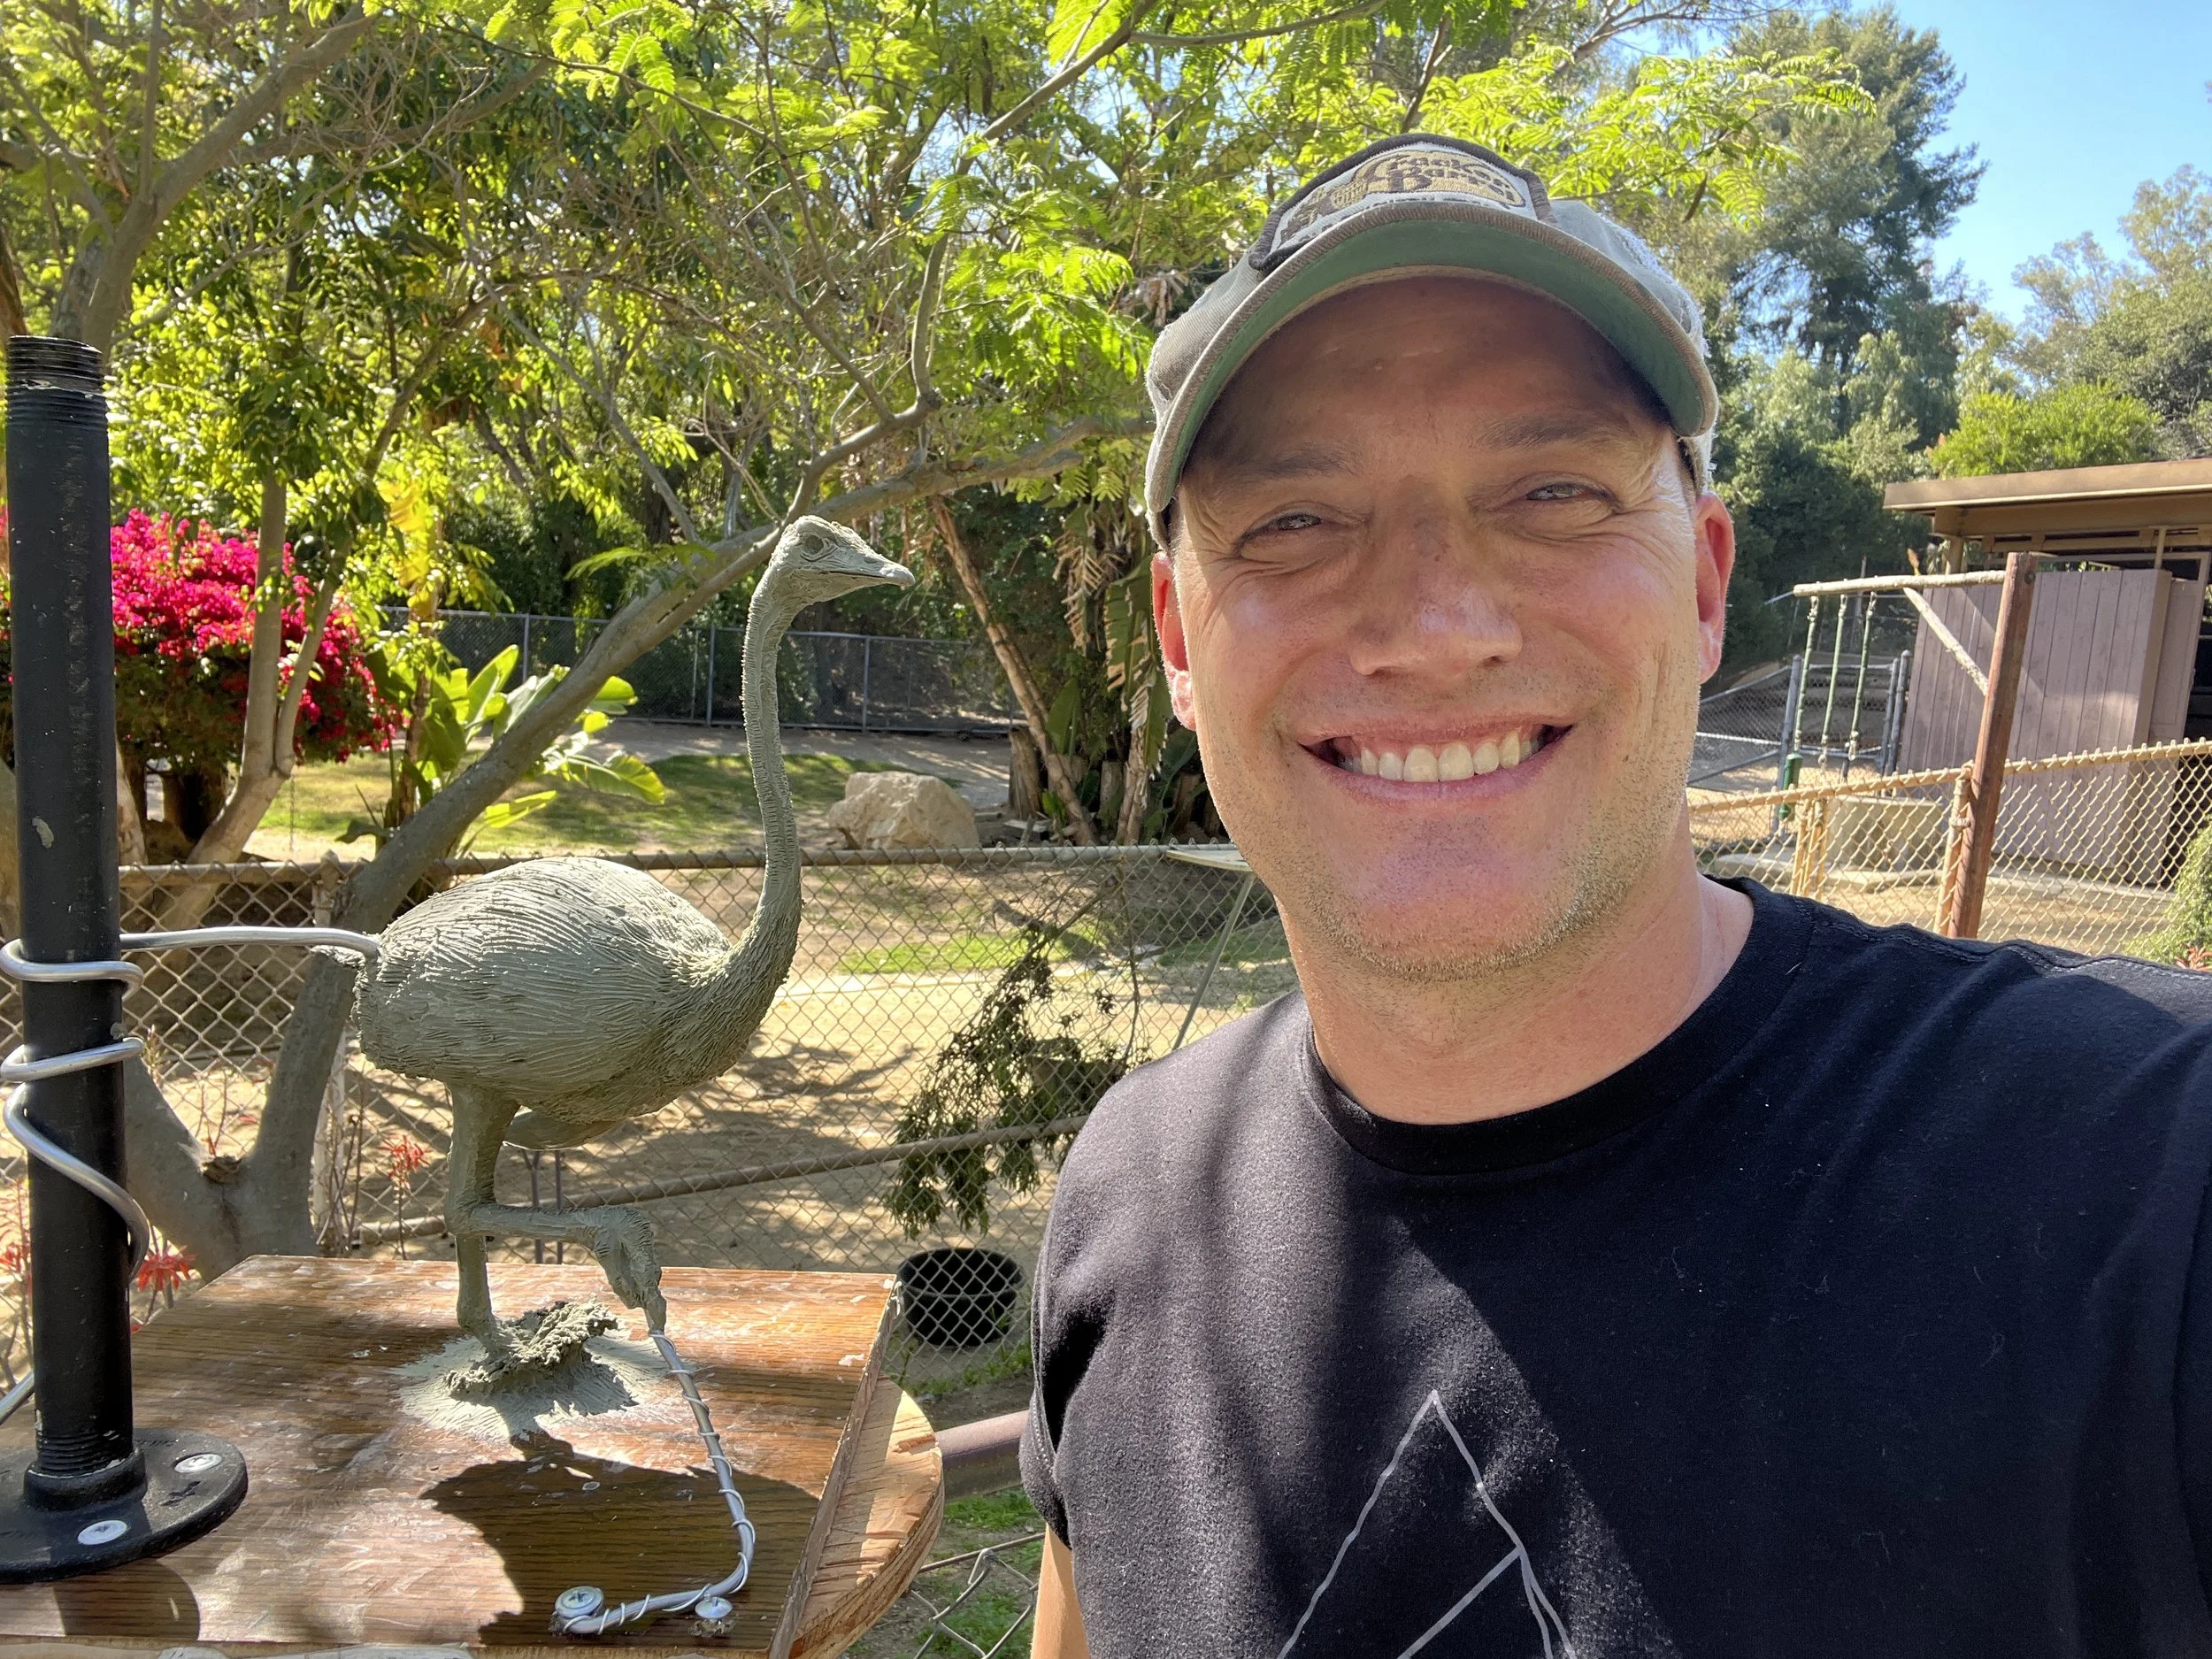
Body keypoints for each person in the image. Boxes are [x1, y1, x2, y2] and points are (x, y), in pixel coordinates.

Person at [1020, 134, 2212, 1658]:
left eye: (1553, 491)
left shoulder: (2139, 1175)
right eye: (1296, 523)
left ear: (1707, 585)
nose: (1437, 624)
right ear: (1182, 648)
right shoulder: (1133, 1191)